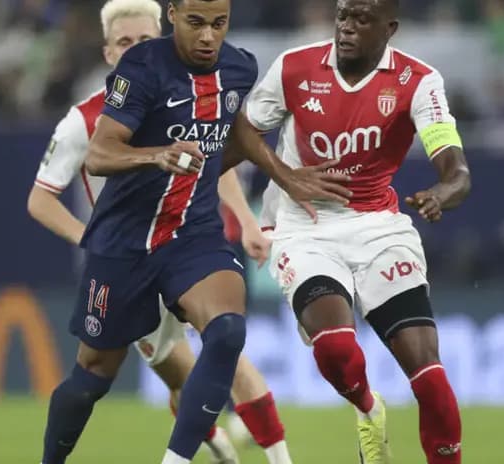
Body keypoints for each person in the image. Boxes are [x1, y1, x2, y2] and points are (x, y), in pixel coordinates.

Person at [37, 1, 348, 463]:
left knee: (226, 332)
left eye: (218, 24)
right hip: (124, 243)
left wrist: (283, 174)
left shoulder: (239, 67)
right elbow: (100, 155)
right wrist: (157, 155)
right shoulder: (139, 71)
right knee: (92, 377)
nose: (208, 36)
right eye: (197, 23)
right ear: (174, 15)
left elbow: (235, 133)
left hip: (192, 233)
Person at [229, 0, 472, 462]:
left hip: (380, 227)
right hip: (306, 225)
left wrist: (442, 192)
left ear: (390, 28)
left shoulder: (417, 81)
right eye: (343, 15)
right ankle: (367, 408)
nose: (347, 28)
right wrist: (283, 174)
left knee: (432, 381)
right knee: (339, 349)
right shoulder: (295, 68)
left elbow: (457, 170)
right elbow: (241, 134)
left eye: (362, 19)